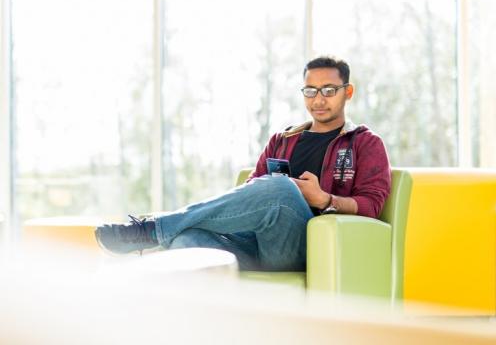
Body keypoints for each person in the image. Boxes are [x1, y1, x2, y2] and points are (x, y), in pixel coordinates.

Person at [95, 56, 391, 271]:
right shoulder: (283, 139)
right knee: (186, 240)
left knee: (281, 190)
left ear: (347, 92)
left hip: (305, 249)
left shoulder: (364, 142)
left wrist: (325, 199)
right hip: (253, 246)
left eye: (329, 90)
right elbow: (254, 190)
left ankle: (152, 230)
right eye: (310, 91)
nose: (318, 99)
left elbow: (372, 204)